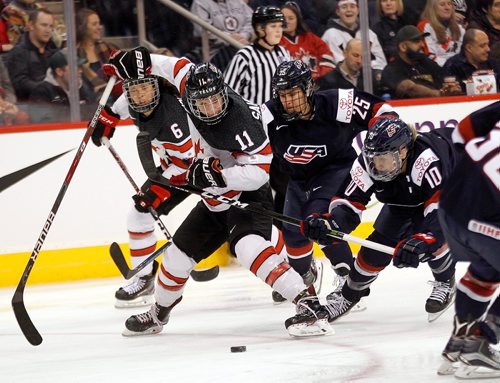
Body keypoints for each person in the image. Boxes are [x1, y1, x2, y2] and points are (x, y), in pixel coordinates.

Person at [120, 62, 332, 337]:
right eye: (202, 103)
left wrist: (218, 176)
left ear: (224, 93)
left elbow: (259, 173)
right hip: (214, 202)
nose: (210, 108)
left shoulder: (241, 121)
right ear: (190, 100)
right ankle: (158, 314)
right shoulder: (189, 92)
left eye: (215, 100)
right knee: (175, 258)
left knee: (248, 248)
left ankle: (309, 306)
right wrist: (140, 62)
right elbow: (175, 66)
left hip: (248, 196)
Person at [262, 59, 396, 307]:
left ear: (308, 88)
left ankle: (347, 281)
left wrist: (382, 136)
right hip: (298, 179)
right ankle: (304, 277)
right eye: (282, 94)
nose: (287, 101)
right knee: (292, 232)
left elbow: (382, 111)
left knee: (320, 219)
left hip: (335, 171)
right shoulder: (269, 115)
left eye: (292, 93)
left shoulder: (336, 103)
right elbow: (242, 142)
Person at [302, 117, 458, 323]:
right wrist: (329, 223)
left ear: (403, 152)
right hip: (403, 201)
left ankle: (446, 281)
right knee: (373, 251)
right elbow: (348, 203)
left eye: (383, 158)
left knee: (433, 241)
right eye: (373, 158)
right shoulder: (369, 162)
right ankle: (348, 296)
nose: (376, 165)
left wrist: (425, 239)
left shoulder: (426, 162)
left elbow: (440, 213)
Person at [90, 46, 196, 308]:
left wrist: (158, 191)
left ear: (156, 86)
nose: (138, 94)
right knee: (138, 215)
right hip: (173, 165)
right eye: (133, 89)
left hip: (195, 169)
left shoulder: (174, 119)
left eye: (144, 88)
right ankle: (145, 278)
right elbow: (118, 108)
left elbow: (188, 162)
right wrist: (106, 120)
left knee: (239, 219)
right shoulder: (136, 95)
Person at [437, 101, 500, 379]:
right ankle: (479, 343)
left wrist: (471, 182)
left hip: (451, 204)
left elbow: (461, 132)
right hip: (485, 215)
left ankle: (459, 340)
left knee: (488, 269)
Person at [224, 5, 291, 106]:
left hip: (281, 118)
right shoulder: (245, 57)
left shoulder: (284, 53)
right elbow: (228, 93)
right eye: (273, 26)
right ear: (260, 29)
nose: (279, 31)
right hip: (254, 119)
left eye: (280, 26)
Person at [381, 25, 463, 98]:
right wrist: (437, 94)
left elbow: (444, 77)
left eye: (422, 41)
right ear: (403, 47)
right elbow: (408, 88)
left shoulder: (425, 61)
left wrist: (452, 87)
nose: (423, 45)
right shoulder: (392, 69)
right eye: (417, 41)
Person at [4, 8, 59, 102]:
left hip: (56, 101)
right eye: (44, 25)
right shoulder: (19, 52)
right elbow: (20, 83)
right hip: (32, 105)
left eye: (51, 26)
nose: (48, 30)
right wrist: (48, 89)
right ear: (31, 25)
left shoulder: (53, 49)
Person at [28, 49, 97, 123]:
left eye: (79, 67)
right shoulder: (41, 93)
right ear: (59, 71)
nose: (80, 71)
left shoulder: (85, 89)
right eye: (75, 67)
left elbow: (94, 116)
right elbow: (43, 124)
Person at [321, 0, 387, 73]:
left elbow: (381, 62)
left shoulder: (368, 33)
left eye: (352, 6)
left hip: (371, 77)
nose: (349, 10)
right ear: (338, 12)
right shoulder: (330, 34)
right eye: (344, 7)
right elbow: (338, 62)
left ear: (358, 10)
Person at [190, 0, 253, 71]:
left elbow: (252, 19)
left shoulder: (238, 2)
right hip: (215, 51)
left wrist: (244, 35)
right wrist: (229, 38)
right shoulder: (200, 2)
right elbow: (202, 30)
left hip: (242, 44)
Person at [279, 1, 335, 80]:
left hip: (320, 84)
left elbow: (327, 57)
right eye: (283, 18)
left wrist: (321, 77)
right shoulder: (276, 42)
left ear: (298, 20)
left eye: (291, 18)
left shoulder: (311, 38)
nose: (286, 21)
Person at [443, 28, 500, 93]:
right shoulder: (452, 65)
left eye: (487, 44)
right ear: (469, 48)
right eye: (482, 46)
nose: (488, 49)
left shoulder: (493, 63)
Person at [76, 8, 116, 95]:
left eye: (99, 23)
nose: (99, 27)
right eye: (94, 24)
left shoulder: (107, 48)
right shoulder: (75, 53)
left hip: (112, 97)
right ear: (83, 28)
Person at [417, 0, 465, 66]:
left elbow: (464, 54)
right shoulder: (425, 26)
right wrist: (452, 66)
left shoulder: (459, 28)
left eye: (449, 4)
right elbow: (429, 57)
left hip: (458, 68)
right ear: (432, 8)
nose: (447, 7)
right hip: (436, 70)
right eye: (442, 5)